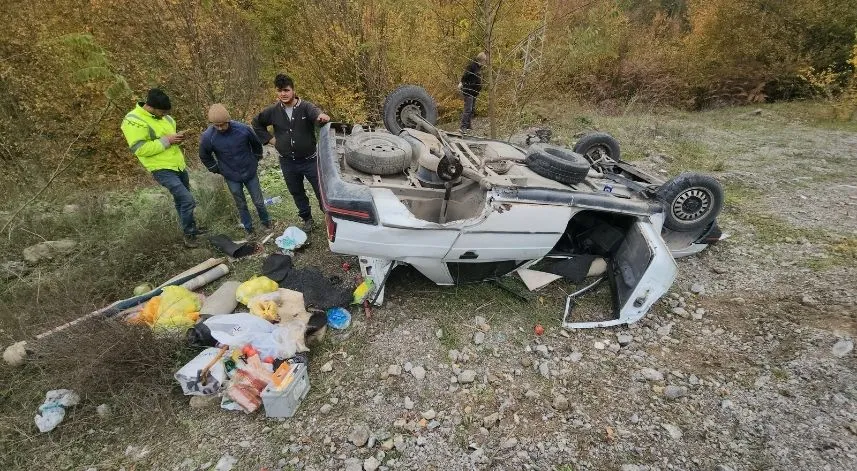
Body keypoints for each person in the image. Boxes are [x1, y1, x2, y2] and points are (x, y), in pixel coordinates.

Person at [120, 88, 205, 248]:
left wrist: (176, 139)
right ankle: (189, 235)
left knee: (181, 201)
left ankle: (191, 229)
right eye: (163, 112)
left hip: (178, 165)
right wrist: (167, 140)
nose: (165, 114)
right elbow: (140, 149)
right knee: (187, 200)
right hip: (161, 168)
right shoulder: (133, 120)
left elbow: (168, 139)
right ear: (151, 107)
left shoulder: (166, 118)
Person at [252, 74, 330, 233]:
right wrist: (271, 140)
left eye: (286, 90)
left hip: (310, 160)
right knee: (296, 192)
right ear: (277, 92)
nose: (283, 94)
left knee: (321, 190)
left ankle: (329, 217)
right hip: (287, 162)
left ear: (293, 90)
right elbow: (256, 123)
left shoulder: (305, 107)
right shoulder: (273, 111)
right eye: (280, 91)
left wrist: (321, 117)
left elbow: (316, 114)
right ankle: (307, 219)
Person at [199, 103, 271, 236]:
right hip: (231, 175)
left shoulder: (243, 129)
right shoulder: (208, 137)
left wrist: (255, 159)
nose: (220, 128)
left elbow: (256, 144)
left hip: (249, 171)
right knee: (241, 204)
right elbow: (204, 155)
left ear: (228, 121)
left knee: (258, 201)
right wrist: (216, 169)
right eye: (216, 125)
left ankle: (266, 223)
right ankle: (249, 229)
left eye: (222, 124)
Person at [458, 51, 487, 134]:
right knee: (468, 109)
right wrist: (461, 83)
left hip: (474, 92)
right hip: (468, 90)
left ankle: (468, 125)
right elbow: (465, 76)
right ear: (481, 60)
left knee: (472, 109)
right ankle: (463, 127)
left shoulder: (479, 67)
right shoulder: (472, 66)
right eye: (484, 61)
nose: (485, 63)